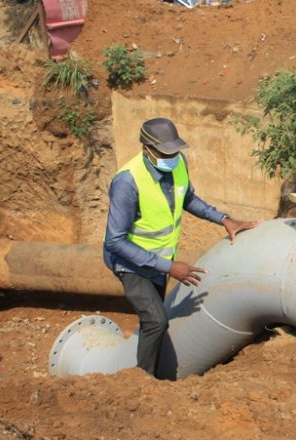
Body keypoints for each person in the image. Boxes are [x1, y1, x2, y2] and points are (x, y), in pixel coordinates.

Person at [103, 117, 258, 377]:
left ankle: (149, 370)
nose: (172, 156)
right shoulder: (127, 182)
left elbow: (187, 198)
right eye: (166, 152)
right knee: (156, 321)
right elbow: (115, 241)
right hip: (130, 263)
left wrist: (223, 219)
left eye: (175, 150)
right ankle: (141, 382)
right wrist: (169, 267)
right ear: (147, 149)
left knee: (153, 321)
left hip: (160, 261)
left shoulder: (178, 164)